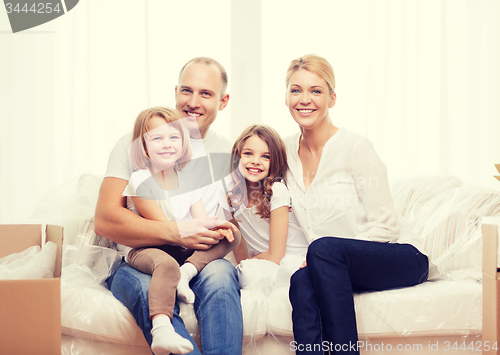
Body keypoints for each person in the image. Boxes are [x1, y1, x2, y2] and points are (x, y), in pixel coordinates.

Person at [95, 58, 243, 355]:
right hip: (138, 258)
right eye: (187, 91)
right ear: (176, 91)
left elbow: (232, 217)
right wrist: (177, 233)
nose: (193, 102)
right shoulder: (137, 142)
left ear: (223, 101)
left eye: (206, 93)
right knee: (147, 286)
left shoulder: (228, 153)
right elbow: (105, 220)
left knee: (221, 278)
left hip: (194, 259)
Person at [284, 54, 429, 355]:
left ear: (332, 98)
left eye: (316, 90)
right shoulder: (284, 152)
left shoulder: (356, 148)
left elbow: (385, 225)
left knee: (323, 249)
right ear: (286, 97)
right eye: (296, 90)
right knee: (300, 280)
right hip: (331, 263)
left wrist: (329, 259)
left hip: (398, 255)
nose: (304, 99)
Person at [121, 107, 240, 355]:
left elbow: (201, 219)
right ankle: (162, 329)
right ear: (143, 147)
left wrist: (217, 228)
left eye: (174, 137)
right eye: (157, 138)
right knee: (167, 265)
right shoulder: (139, 180)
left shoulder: (187, 180)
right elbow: (163, 228)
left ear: (184, 144)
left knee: (233, 235)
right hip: (150, 249)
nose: (167, 144)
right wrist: (196, 234)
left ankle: (187, 272)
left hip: (183, 249)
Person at [226, 125, 309, 289]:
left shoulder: (277, 191)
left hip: (292, 260)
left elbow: (276, 256)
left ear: (274, 162)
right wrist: (247, 265)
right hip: (262, 263)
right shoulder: (232, 199)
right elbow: (242, 257)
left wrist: (249, 264)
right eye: (248, 153)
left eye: (265, 156)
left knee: (282, 270)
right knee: (242, 273)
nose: (255, 161)